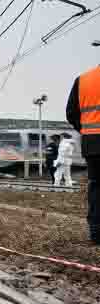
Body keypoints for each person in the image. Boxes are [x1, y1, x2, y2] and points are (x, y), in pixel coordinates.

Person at [67, 64, 100, 244]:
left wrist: (87, 130)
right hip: (92, 140)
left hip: (92, 143)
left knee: (96, 186)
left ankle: (96, 233)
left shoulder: (83, 80)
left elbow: (71, 113)